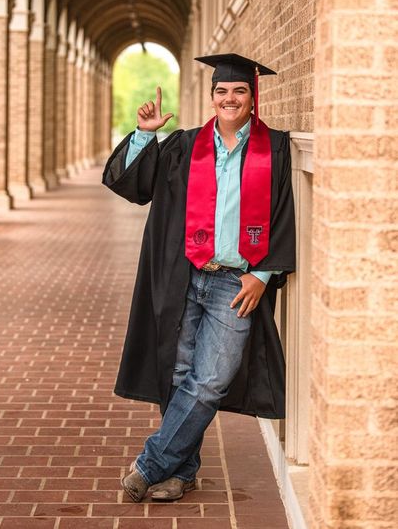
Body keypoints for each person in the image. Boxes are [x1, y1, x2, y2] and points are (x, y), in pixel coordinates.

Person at [102, 52, 295, 502]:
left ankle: (151, 463)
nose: (230, 98)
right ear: (212, 97)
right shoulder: (184, 146)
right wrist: (144, 136)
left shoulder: (277, 149)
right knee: (180, 371)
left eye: (239, 91)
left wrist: (263, 274)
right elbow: (134, 188)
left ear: (252, 97)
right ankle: (181, 471)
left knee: (211, 378)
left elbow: (285, 212)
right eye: (222, 91)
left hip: (235, 282)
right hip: (185, 274)